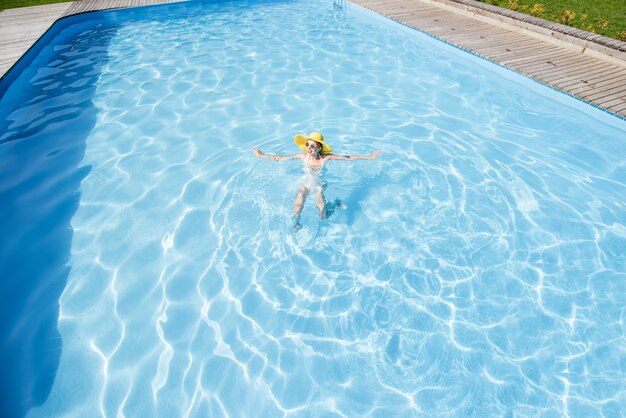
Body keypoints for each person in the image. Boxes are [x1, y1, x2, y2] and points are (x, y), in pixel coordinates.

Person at [252, 131, 381, 225]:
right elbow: (281, 158)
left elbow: (348, 157)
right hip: (305, 184)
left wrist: (370, 157)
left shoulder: (325, 158)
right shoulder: (302, 156)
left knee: (322, 215)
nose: (309, 148)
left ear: (319, 148)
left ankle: (334, 204)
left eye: (312, 146)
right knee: (297, 206)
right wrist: (262, 155)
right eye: (307, 145)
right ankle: (296, 224)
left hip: (319, 185)